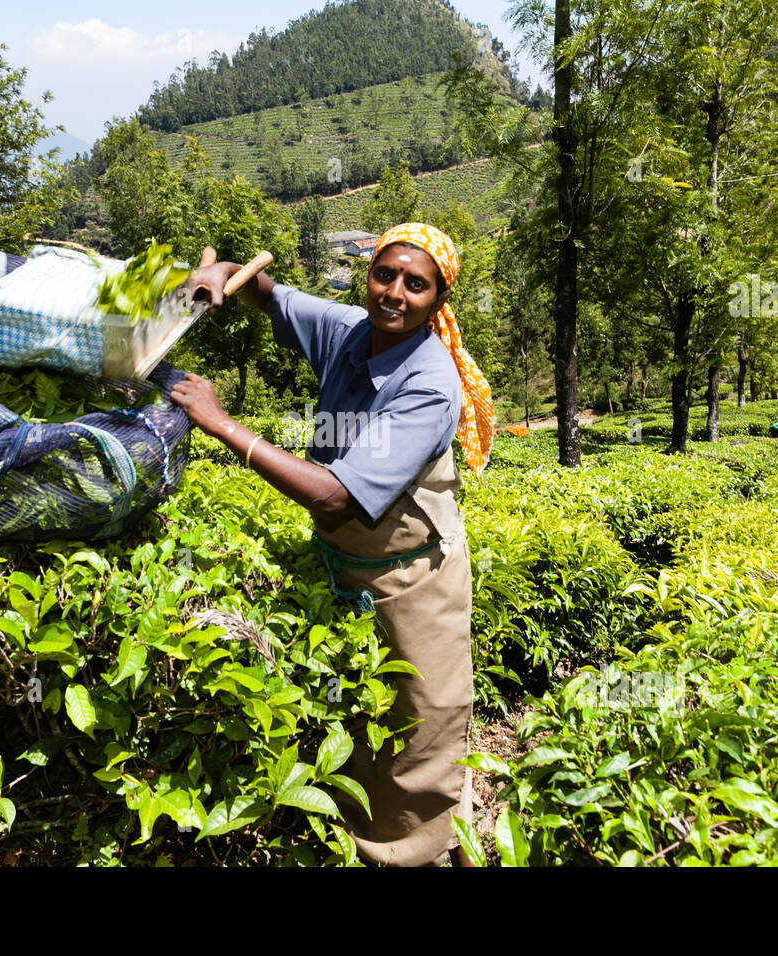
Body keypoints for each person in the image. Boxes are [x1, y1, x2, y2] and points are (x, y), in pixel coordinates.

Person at [169, 223, 495, 867]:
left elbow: (334, 497)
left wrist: (222, 423)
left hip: (415, 583)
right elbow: (265, 292)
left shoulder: (429, 382)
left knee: (420, 733)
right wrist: (220, 275)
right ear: (368, 275)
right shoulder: (349, 330)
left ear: (439, 299)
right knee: (358, 726)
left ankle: (417, 853)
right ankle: (374, 844)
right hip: (345, 569)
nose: (394, 292)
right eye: (385, 274)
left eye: (416, 284)